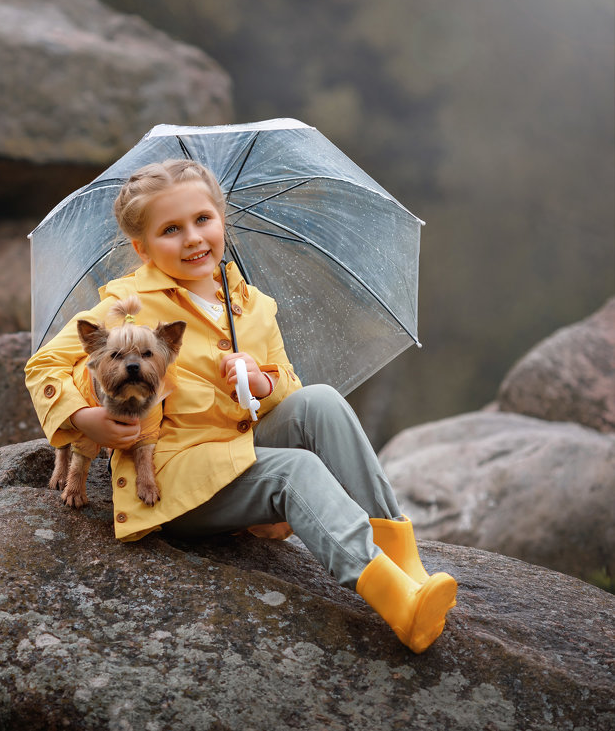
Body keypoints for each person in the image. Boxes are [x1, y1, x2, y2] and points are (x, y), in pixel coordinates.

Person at [25, 158, 457, 654]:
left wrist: (261, 380)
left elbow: (289, 391)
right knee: (292, 471)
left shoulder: (252, 306)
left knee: (320, 401)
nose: (192, 239)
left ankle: (406, 562)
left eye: (203, 220)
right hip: (175, 479)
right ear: (141, 248)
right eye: (171, 229)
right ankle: (395, 600)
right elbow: (43, 368)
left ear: (222, 220)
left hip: (239, 455)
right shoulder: (128, 306)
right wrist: (87, 419)